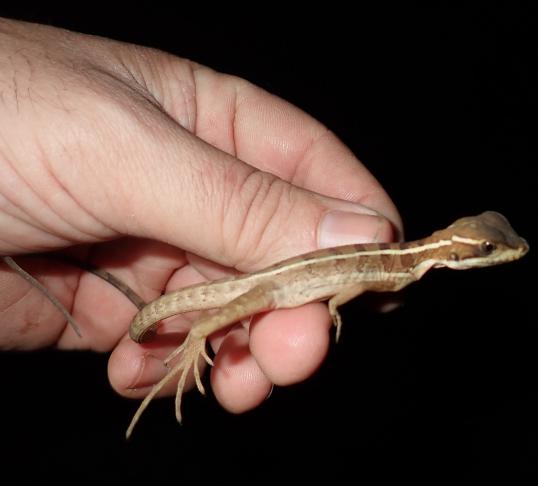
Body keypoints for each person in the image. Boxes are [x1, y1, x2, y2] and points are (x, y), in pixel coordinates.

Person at [0, 17, 401, 416]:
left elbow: (362, 282)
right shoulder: (400, 261)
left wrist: (339, 302)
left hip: (272, 282)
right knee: (236, 322)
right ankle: (196, 333)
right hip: (275, 285)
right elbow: (361, 280)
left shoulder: (404, 266)